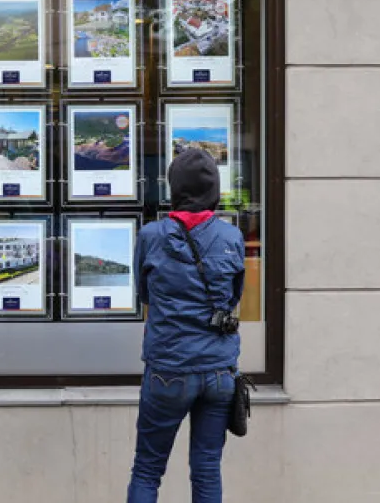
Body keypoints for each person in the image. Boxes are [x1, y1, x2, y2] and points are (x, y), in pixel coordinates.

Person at [127, 147, 246, 503]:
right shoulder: (231, 238)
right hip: (218, 371)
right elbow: (233, 297)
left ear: (174, 187)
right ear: (214, 188)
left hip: (169, 368)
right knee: (207, 468)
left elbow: (144, 294)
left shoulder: (152, 236)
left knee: (148, 469)